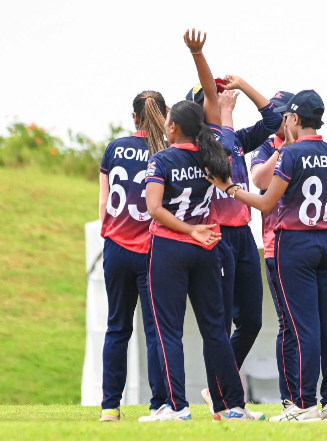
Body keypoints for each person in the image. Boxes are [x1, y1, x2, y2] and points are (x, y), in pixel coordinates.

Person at [207, 90, 327, 422]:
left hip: (294, 242)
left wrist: (230, 189)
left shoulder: (289, 153)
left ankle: (302, 404)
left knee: (301, 326)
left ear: (295, 118)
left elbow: (266, 202)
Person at [140, 29, 258, 422]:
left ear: (173, 127)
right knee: (215, 330)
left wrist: (188, 230)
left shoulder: (161, 160)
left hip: (171, 247)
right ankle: (232, 404)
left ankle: (177, 407)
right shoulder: (213, 155)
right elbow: (210, 94)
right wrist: (197, 54)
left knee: (169, 329)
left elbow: (154, 209)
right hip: (207, 248)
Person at [196, 76, 281, 411]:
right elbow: (224, 155)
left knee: (252, 321)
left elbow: (272, 121)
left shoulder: (236, 137)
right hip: (215, 234)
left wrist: (244, 86)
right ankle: (224, 398)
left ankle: (217, 385)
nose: (223, 100)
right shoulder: (199, 141)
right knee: (219, 322)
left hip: (243, 234)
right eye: (215, 98)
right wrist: (227, 115)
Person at [96, 91, 169, 422]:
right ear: (164, 116)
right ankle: (159, 405)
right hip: (151, 251)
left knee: (117, 328)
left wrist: (111, 235)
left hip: (116, 247)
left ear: (135, 117)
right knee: (156, 331)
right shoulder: (165, 152)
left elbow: (103, 202)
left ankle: (110, 407)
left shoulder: (114, 148)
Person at [249, 90, 296, 408]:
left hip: (305, 243)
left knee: (309, 325)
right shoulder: (266, 146)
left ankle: (316, 399)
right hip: (275, 247)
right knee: (287, 325)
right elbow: (259, 180)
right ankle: (290, 399)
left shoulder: (310, 147)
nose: (278, 120)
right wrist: (283, 150)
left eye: (284, 114)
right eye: (274, 114)